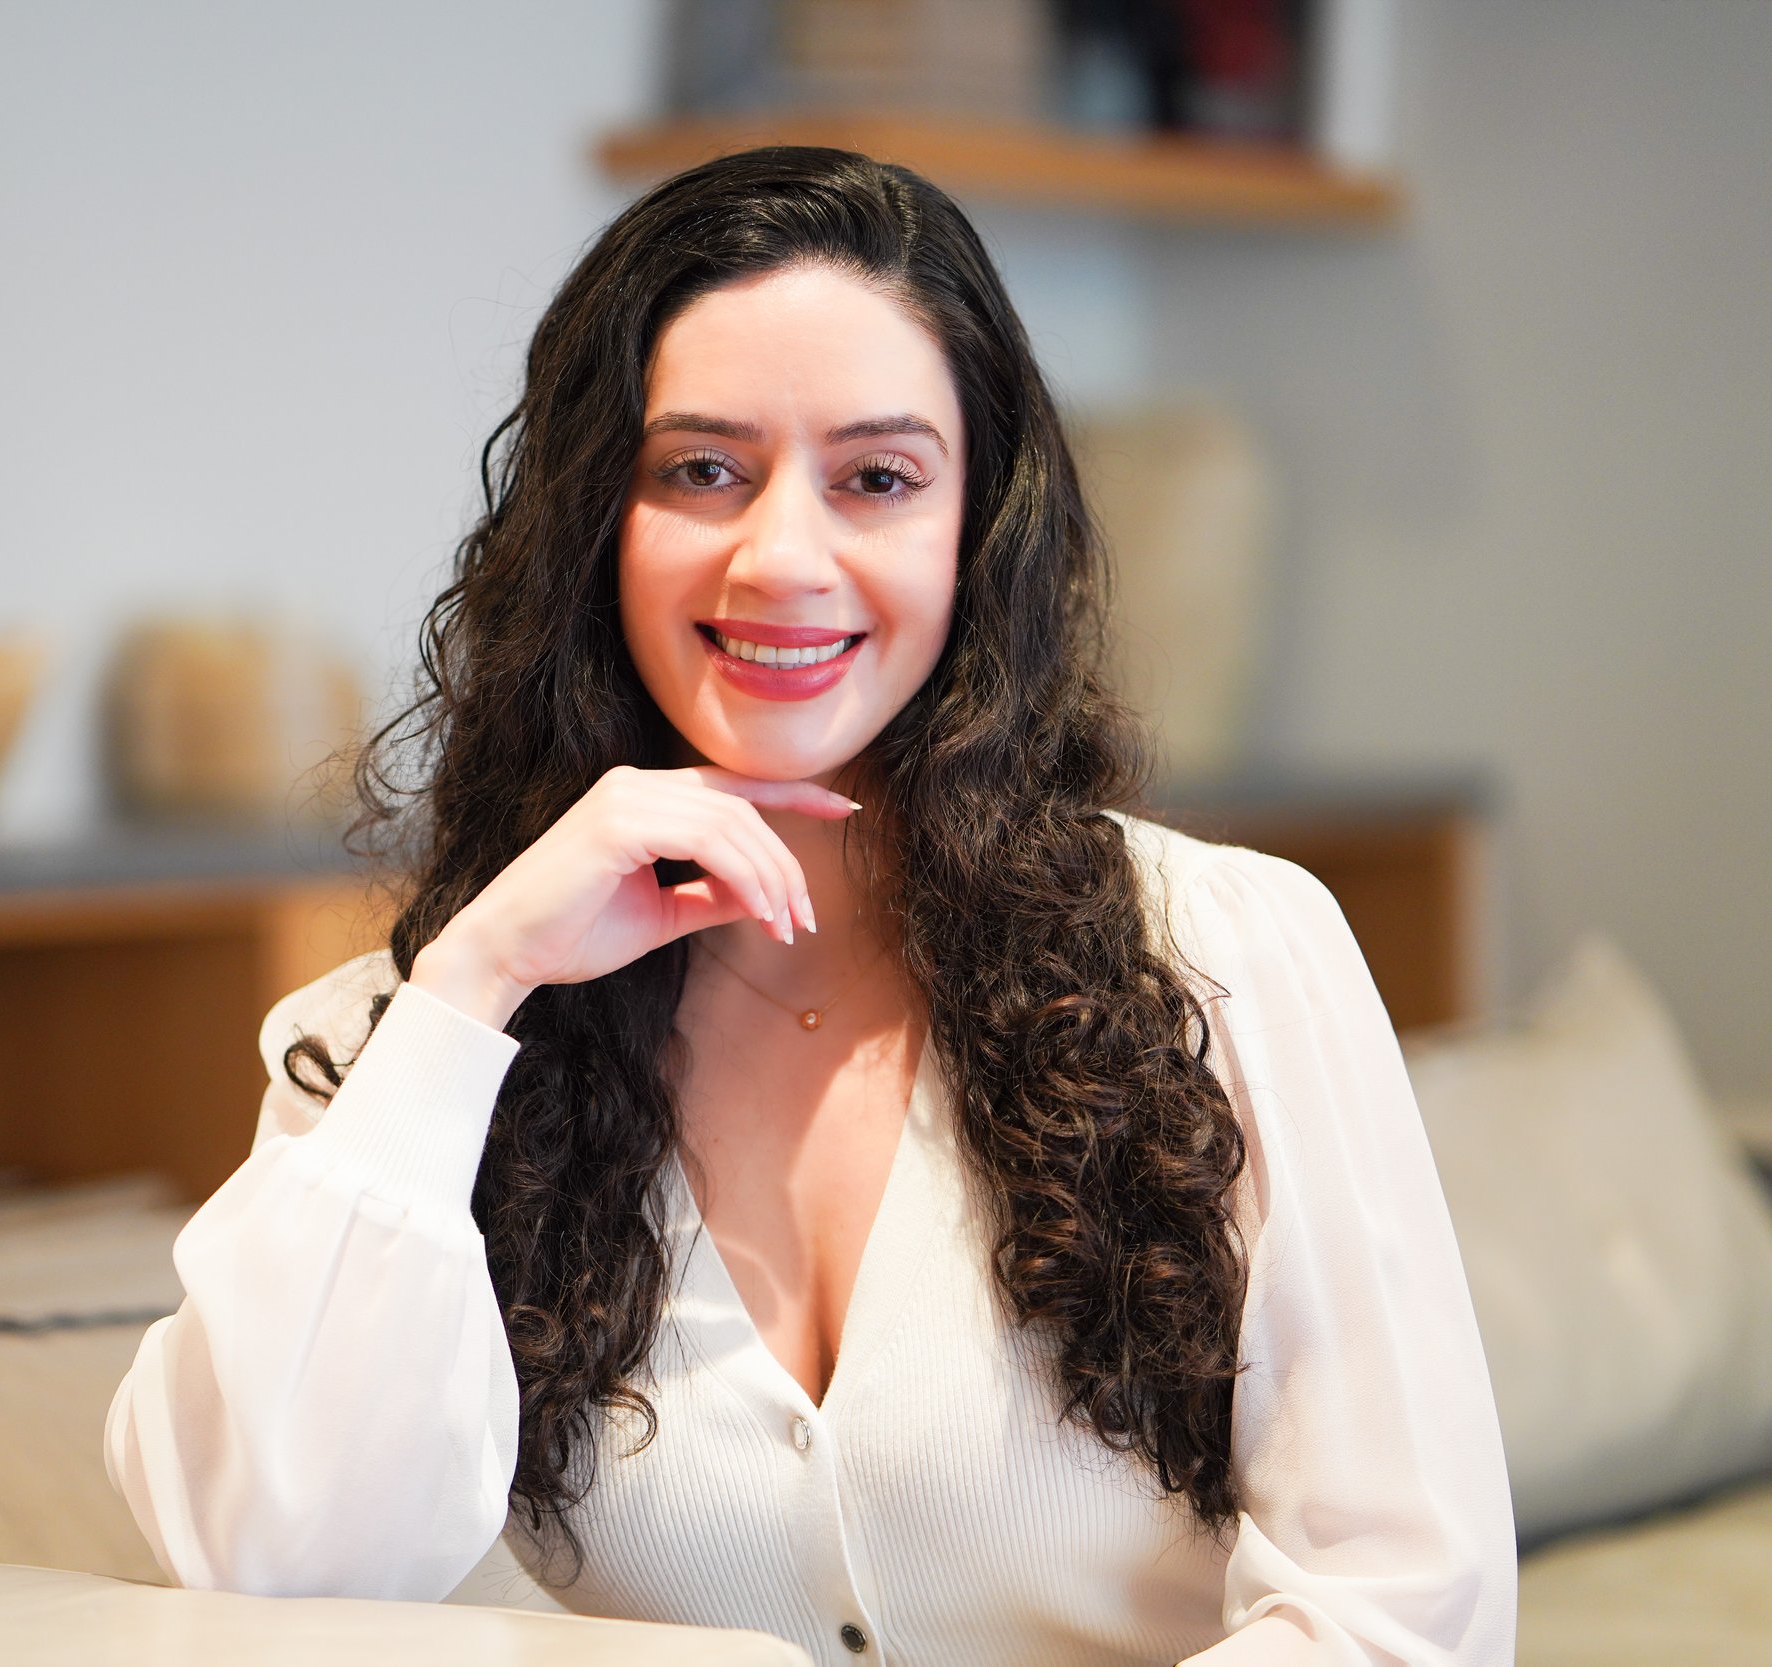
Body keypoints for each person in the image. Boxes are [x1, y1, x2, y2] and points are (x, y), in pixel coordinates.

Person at [104, 146, 1515, 1666]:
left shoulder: (1232, 958)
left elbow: (1401, 1613)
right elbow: (268, 1565)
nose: (782, 556)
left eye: (878, 478)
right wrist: (477, 981)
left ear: (977, 534)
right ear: (596, 526)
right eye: (700, 469)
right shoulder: (403, 1045)